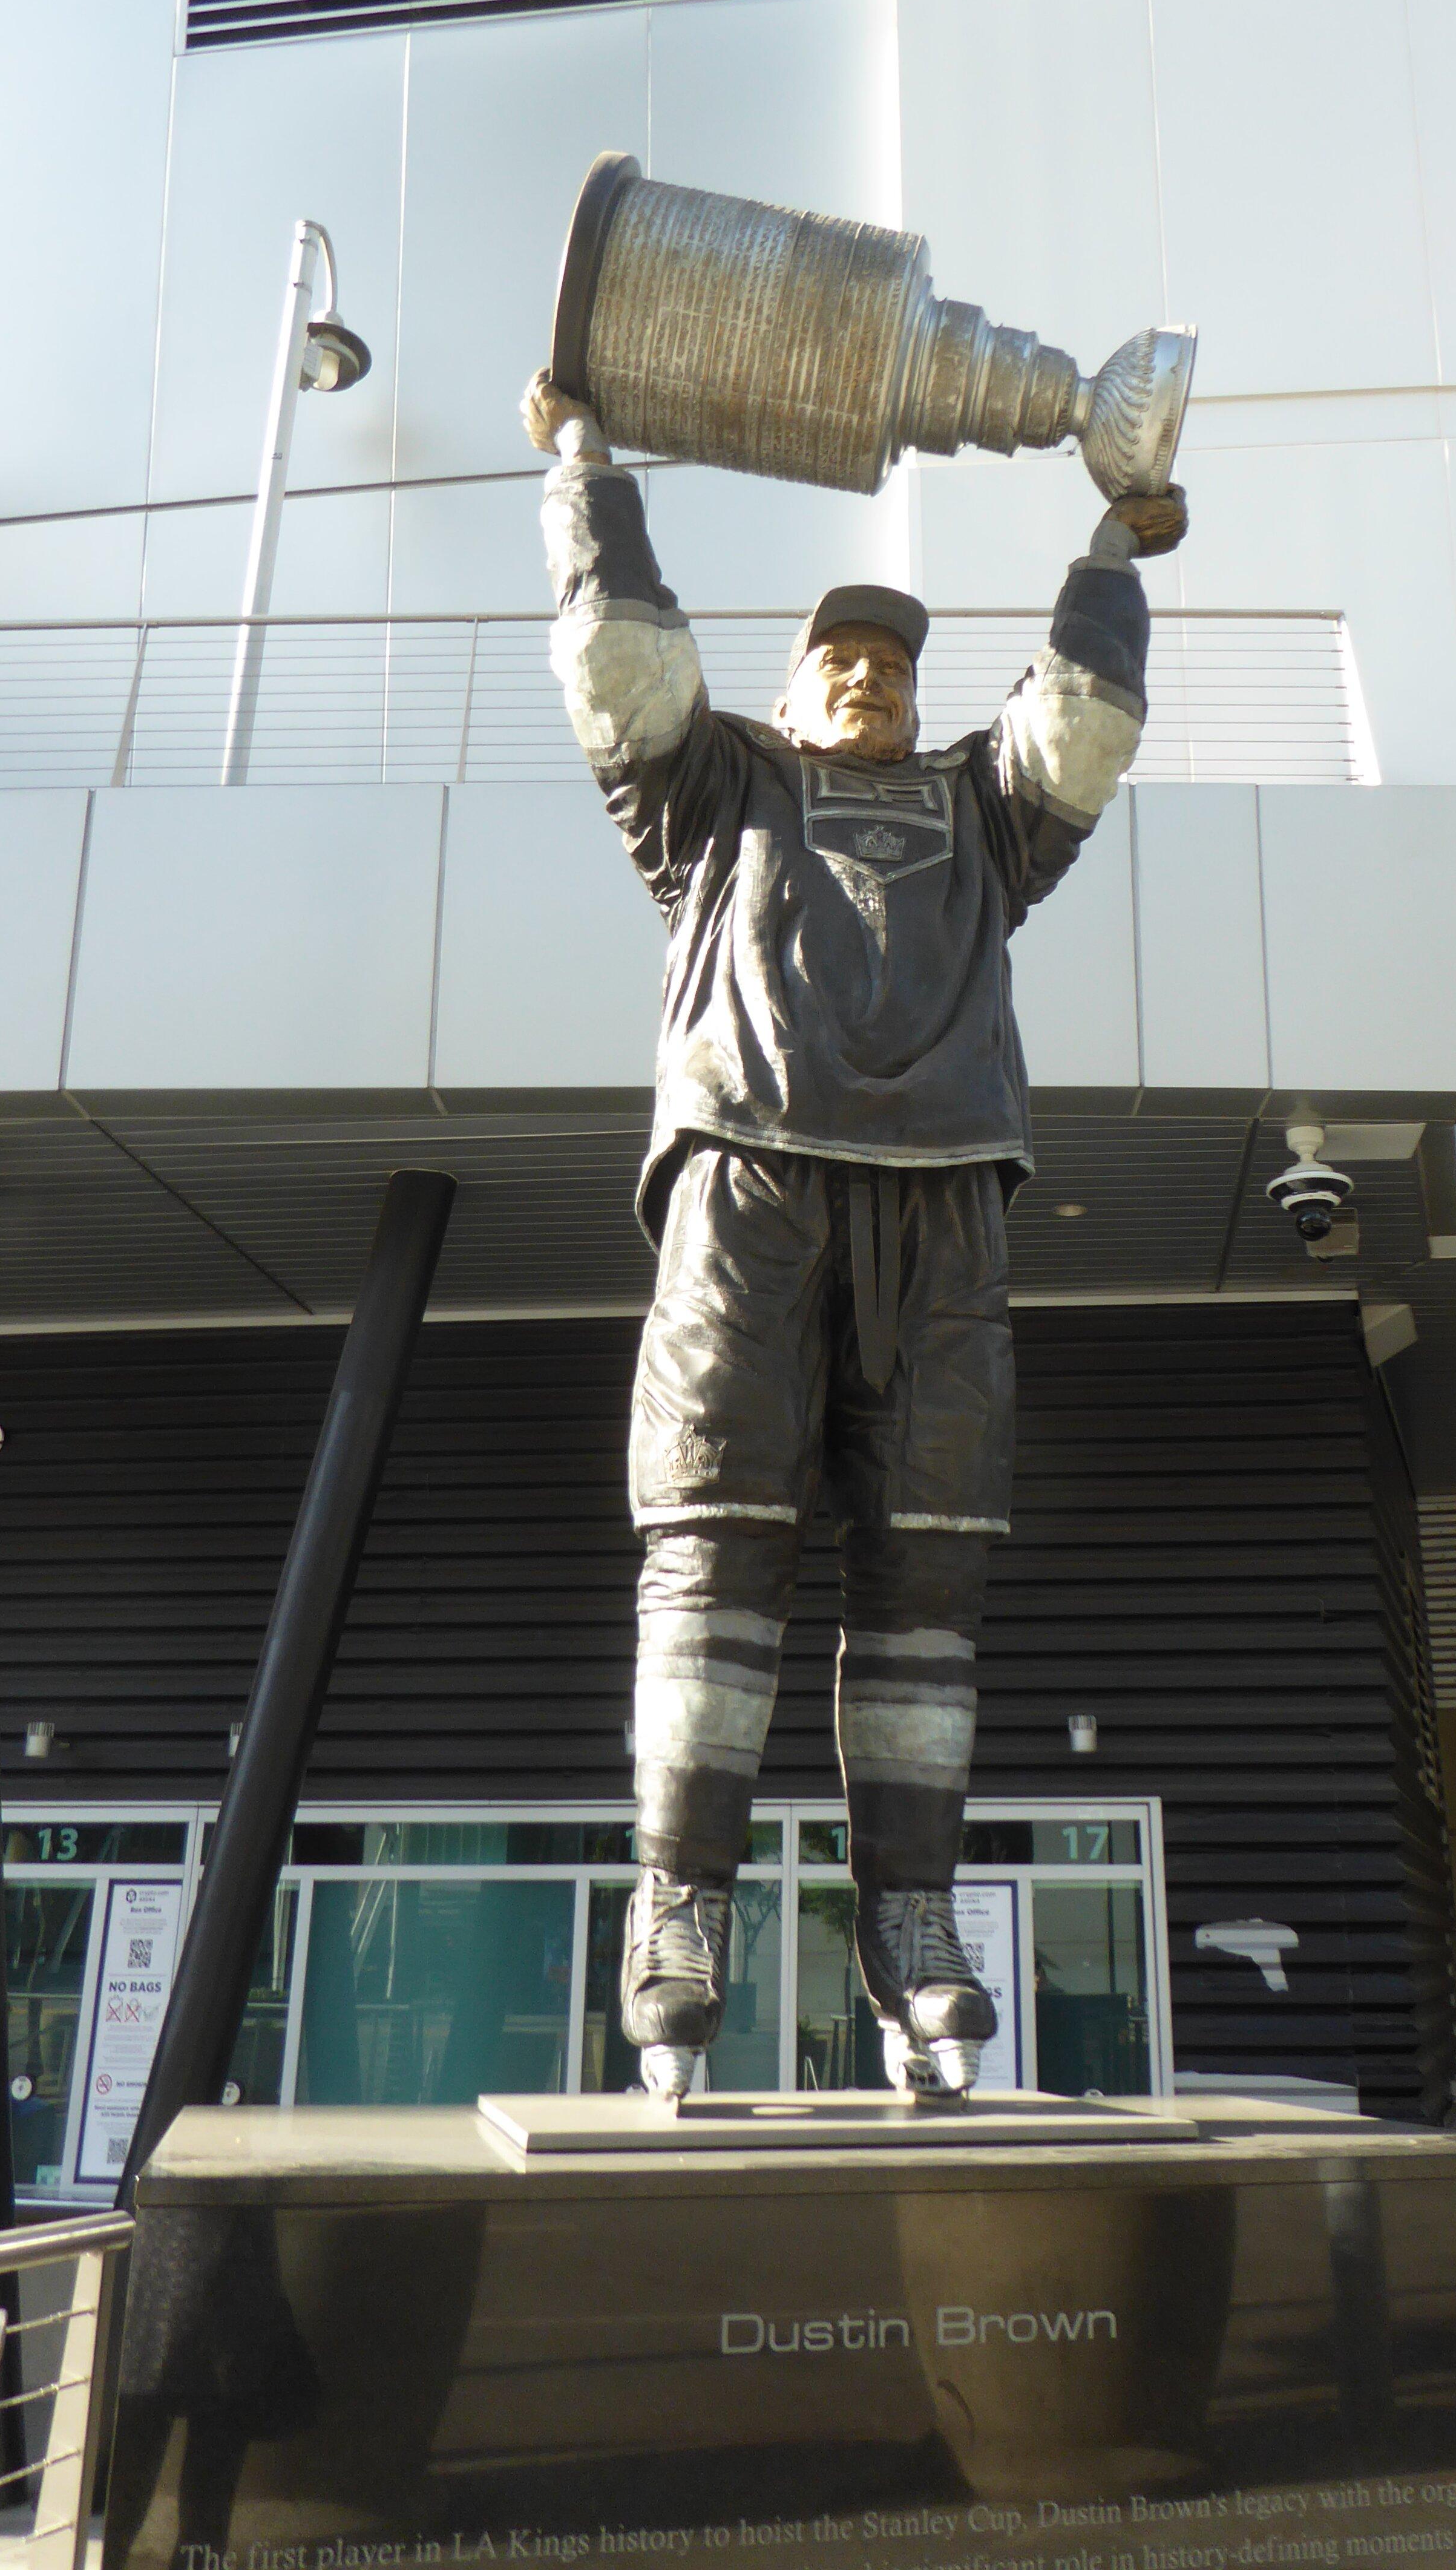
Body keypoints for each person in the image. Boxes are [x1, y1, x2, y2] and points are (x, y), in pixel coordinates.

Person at [525, 366, 1187, 2098]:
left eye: (893, 661)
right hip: (750, 1184)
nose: (871, 675)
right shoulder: (713, 796)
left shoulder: (981, 813)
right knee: (716, 1551)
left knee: (927, 1573)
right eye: (839, 658)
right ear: (789, 690)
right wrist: (588, 470)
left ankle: (913, 1926)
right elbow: (621, 665)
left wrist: (1115, 539)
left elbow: (1081, 729)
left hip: (948, 1202)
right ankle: (679, 1911)